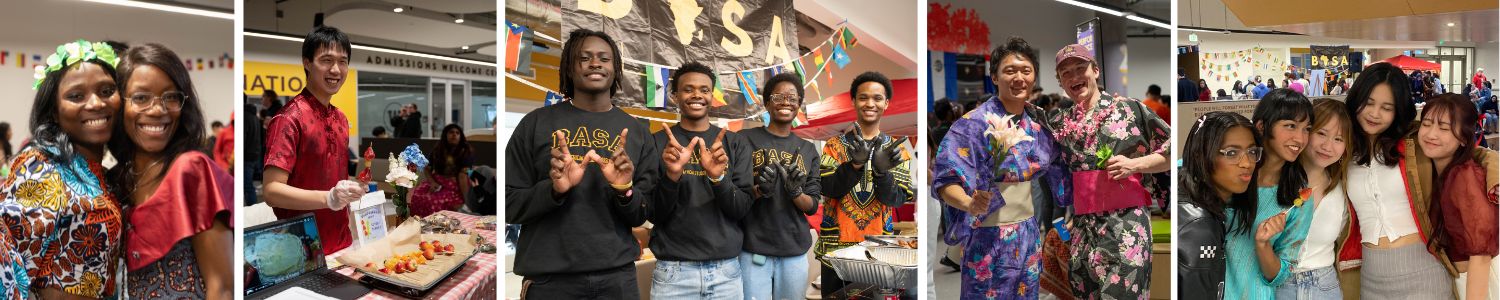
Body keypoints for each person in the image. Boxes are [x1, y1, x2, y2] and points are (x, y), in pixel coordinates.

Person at [504, 28, 658, 299]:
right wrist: (554, 190)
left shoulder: (637, 131)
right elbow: (508, 205)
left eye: (604, 58)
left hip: (617, 278)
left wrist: (624, 189)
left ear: (615, 68)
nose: (595, 63)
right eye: (584, 58)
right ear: (569, 68)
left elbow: (642, 213)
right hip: (550, 282)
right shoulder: (535, 124)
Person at [932, 37, 1066, 299]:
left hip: (1028, 232)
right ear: (994, 77)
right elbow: (946, 180)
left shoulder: (1039, 122)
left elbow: (1060, 167)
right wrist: (968, 203)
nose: (1019, 77)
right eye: (1009, 71)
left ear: (1034, 76)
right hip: (987, 234)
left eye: (1026, 71)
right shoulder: (972, 124)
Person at [105, 43, 234, 299]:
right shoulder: (117, 179)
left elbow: (223, 289)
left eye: (171, 97)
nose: (158, 109)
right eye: (141, 98)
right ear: (120, 104)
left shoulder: (191, 171)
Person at [0, 39, 123, 298]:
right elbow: (6, 259)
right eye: (76, 96)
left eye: (106, 90)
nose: (96, 103)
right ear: (54, 112)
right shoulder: (42, 167)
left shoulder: (101, 173)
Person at [1046, 44, 1170, 298]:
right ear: (1060, 82)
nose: (1074, 77)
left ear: (1096, 71)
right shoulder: (1060, 124)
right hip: (1083, 230)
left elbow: (1172, 149)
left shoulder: (1129, 110)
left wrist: (1135, 164)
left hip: (1126, 229)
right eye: (1066, 73)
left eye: (1081, 68)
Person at [1336, 62, 1453, 298]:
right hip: (1371, 277)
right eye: (1368, 103)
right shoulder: (1343, 152)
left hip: (1423, 272)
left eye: (1386, 107)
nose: (1374, 113)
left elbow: (1476, 153)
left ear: (1398, 110)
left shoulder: (1414, 143)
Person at [646, 61, 754, 298]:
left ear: (711, 96)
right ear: (675, 96)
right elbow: (653, 213)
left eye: (704, 90)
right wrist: (672, 175)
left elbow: (741, 209)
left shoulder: (735, 143)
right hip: (673, 274)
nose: (697, 95)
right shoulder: (656, 143)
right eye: (688, 89)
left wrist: (719, 178)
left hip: (726, 272)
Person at [262, 26, 366, 255]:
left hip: (342, 241)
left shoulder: (340, 118)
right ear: (307, 63)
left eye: (343, 61)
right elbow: (271, 191)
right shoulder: (288, 118)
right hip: (302, 250)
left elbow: (330, 175)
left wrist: (350, 189)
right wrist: (328, 198)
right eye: (326, 60)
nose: (336, 70)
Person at [817, 71, 914, 295]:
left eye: (877, 98)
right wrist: (854, 166)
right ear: (853, 101)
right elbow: (828, 189)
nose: (870, 103)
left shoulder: (896, 150)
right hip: (837, 251)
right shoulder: (833, 145)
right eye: (863, 97)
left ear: (886, 103)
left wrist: (882, 173)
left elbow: (895, 200)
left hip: (879, 251)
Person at [739, 72, 821, 300]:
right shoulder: (744, 139)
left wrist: (795, 192)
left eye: (792, 98)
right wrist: (758, 190)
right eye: (778, 97)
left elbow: (812, 205)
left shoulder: (808, 149)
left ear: (799, 106)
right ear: (767, 103)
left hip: (794, 251)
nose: (786, 102)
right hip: (753, 249)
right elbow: (733, 193)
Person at [1224, 89, 1313, 299]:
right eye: (1290, 126)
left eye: (1306, 129)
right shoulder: (1226, 173)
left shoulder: (1298, 197)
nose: (1300, 138)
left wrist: (1263, 244)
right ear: (1261, 126)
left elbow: (1279, 276)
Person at [1418, 94, 1497, 300]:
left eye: (1444, 128)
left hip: (1478, 279)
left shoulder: (1463, 176)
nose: (1431, 134)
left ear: (1463, 138)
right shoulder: (1442, 171)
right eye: (1426, 124)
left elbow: (1481, 254)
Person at [1275, 98, 1352, 299]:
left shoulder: (1343, 189)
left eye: (1338, 139)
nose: (1328, 146)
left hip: (1325, 287)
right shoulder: (1274, 179)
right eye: (1321, 133)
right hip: (1276, 285)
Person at [1177, 111, 1258, 299]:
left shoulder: (1189, 189)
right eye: (1232, 153)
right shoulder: (1199, 228)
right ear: (1202, 155)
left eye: (1252, 152)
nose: (1247, 163)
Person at [410, 124, 474, 217]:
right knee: (417, 195)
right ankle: (419, 226)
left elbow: (462, 177)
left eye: (457, 133)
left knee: (434, 202)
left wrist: (468, 202)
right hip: (437, 182)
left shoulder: (465, 151)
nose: (454, 135)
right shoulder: (437, 150)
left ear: (461, 136)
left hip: (456, 185)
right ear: (445, 135)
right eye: (451, 132)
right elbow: (427, 168)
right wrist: (432, 182)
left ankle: (436, 228)